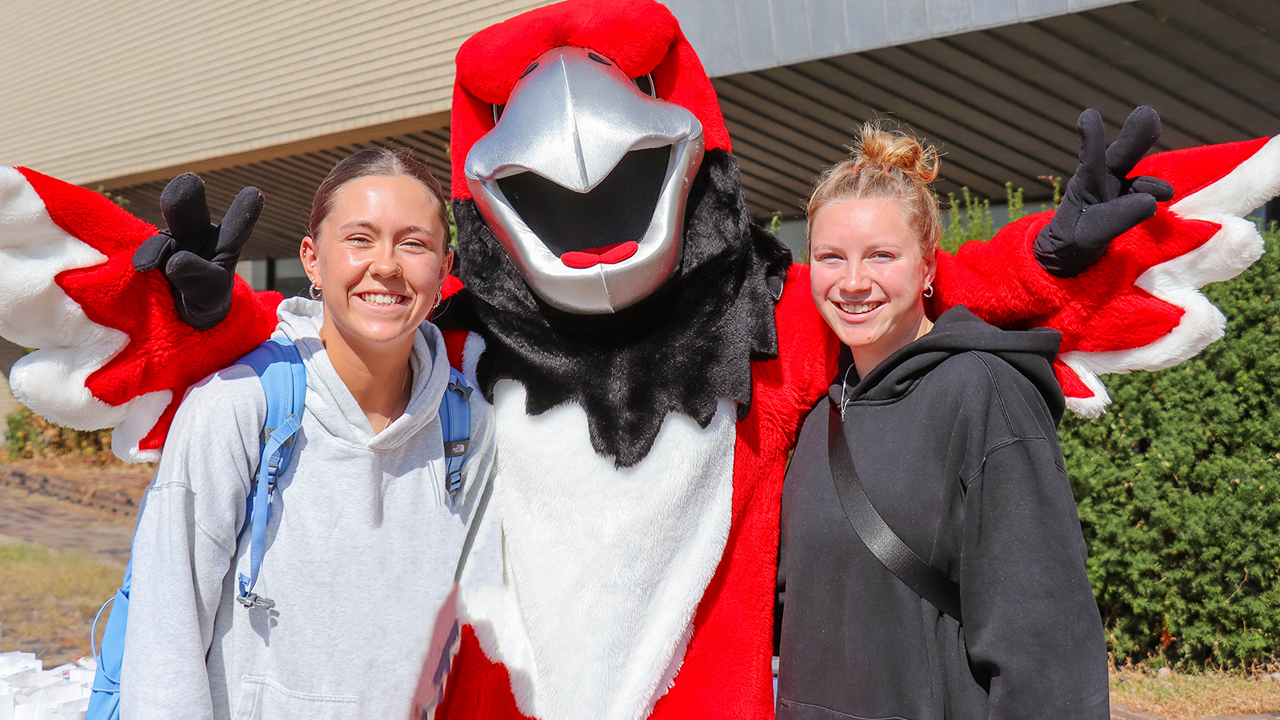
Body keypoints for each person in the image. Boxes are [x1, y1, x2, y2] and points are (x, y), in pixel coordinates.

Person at [120, 148, 495, 719]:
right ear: (312, 260)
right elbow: (163, 634)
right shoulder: (239, 405)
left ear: (445, 270)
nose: (387, 266)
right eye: (360, 239)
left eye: (414, 243)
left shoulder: (470, 425)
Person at [775, 124, 1110, 719]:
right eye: (832, 258)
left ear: (928, 267)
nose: (853, 283)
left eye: (881, 255)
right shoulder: (815, 416)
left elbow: (1043, 640)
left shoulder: (983, 392)